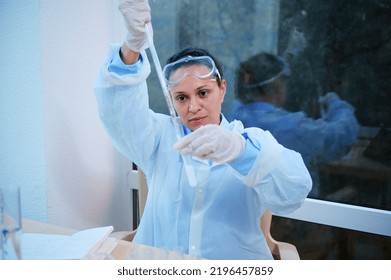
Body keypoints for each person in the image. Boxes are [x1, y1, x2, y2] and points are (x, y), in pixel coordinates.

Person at [94, 0, 311, 260]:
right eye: (181, 98)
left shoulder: (250, 141)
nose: (193, 107)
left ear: (223, 89)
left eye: (203, 92)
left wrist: (239, 152)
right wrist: (131, 47)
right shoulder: (158, 138)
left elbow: (293, 194)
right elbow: (119, 113)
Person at [229, 52, 360, 198]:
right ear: (278, 86)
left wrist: (289, 54)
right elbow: (343, 134)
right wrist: (336, 104)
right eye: (283, 81)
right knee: (354, 191)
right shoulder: (293, 128)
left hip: (250, 203)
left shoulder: (236, 113)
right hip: (294, 214)